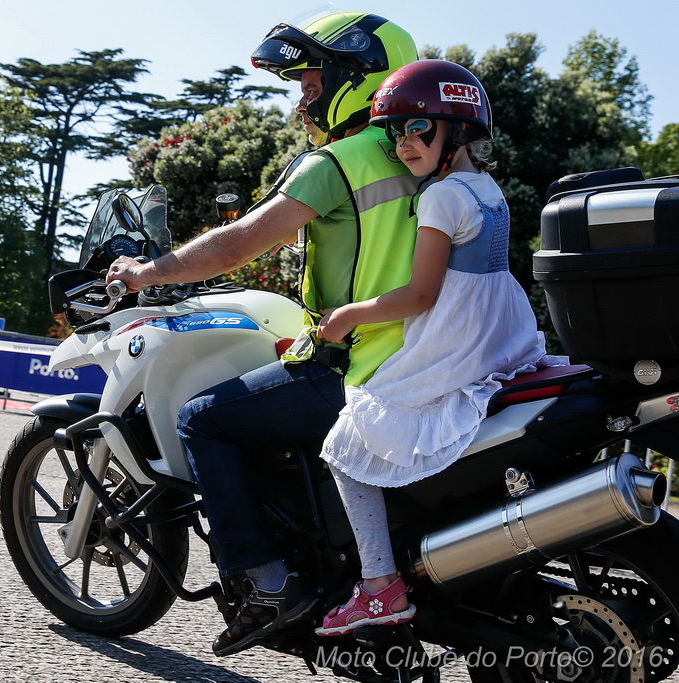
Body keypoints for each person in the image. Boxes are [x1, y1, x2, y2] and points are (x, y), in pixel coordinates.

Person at [105, 11, 418, 656]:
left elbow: (237, 244)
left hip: (356, 367)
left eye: (312, 81)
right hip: (431, 363)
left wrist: (146, 272)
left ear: (357, 78)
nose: (303, 99)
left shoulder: (340, 162)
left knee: (203, 419)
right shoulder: (433, 158)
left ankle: (266, 584)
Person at [313, 59, 559, 636]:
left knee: (346, 445)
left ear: (457, 131)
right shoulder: (488, 189)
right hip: (501, 338)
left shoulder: (441, 197)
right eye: (396, 133)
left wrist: (347, 315)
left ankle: (380, 585)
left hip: (453, 343)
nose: (404, 144)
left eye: (418, 128)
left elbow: (421, 295)